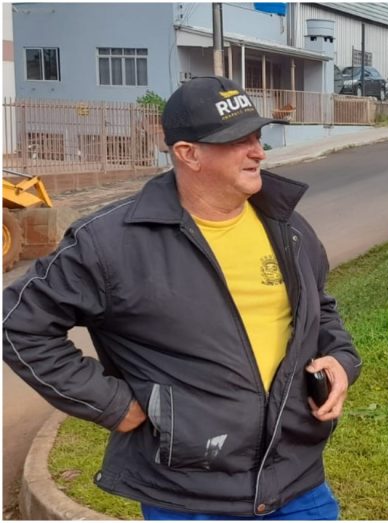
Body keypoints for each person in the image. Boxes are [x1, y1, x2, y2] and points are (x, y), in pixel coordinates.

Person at [3, 76, 361, 520]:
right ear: (187, 153)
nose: (259, 152)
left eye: (257, 136)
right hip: (190, 496)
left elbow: (319, 309)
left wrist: (342, 361)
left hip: (300, 484)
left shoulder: (287, 227)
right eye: (238, 141)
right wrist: (112, 404)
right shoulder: (109, 243)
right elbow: (20, 324)